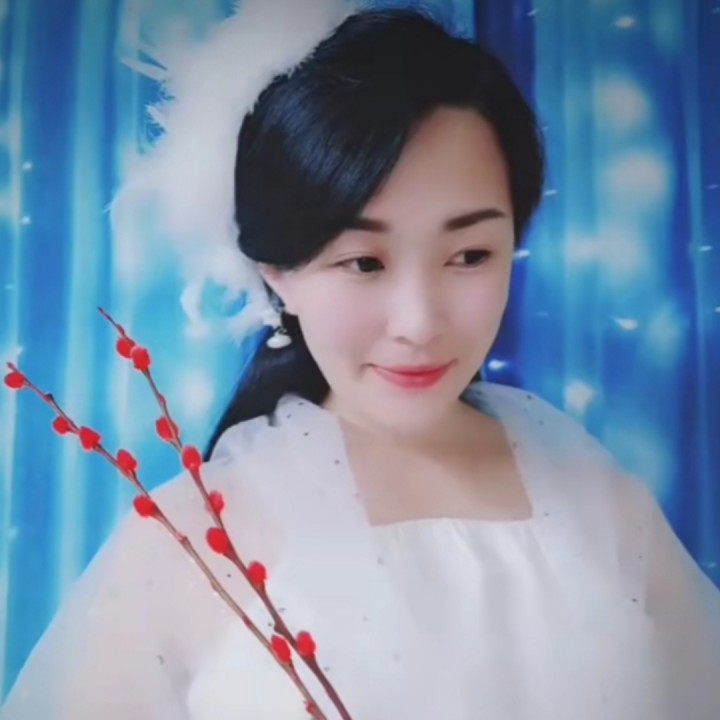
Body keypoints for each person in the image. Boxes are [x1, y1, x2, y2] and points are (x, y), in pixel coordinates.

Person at [2, 2, 719, 718]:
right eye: (364, 262)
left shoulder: (599, 505)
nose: (420, 323)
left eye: (470, 255)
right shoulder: (194, 541)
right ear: (277, 270)